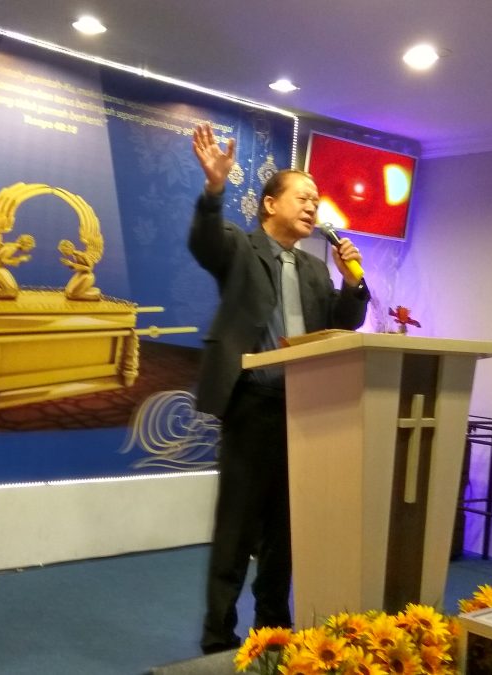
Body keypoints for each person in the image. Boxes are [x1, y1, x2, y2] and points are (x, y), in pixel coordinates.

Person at [188, 122, 370, 654]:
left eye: (316, 200)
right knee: (237, 527)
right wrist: (214, 187)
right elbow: (204, 242)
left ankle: (273, 624)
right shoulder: (240, 248)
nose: (313, 207)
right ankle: (218, 633)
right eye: (302, 197)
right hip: (252, 406)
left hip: (304, 411)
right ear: (270, 205)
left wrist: (353, 282)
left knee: (287, 528)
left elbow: (343, 322)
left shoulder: (315, 267)